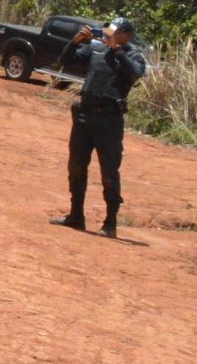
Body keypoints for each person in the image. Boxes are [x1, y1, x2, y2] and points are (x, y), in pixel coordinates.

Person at [51, 17, 148, 237]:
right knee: (76, 166)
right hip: (84, 117)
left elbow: (136, 74)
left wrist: (117, 51)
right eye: (109, 30)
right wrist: (76, 40)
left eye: (115, 32)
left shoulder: (133, 55)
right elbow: (64, 60)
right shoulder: (96, 49)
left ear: (127, 36)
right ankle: (76, 215)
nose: (109, 34)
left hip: (109, 121)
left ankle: (110, 222)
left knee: (109, 172)